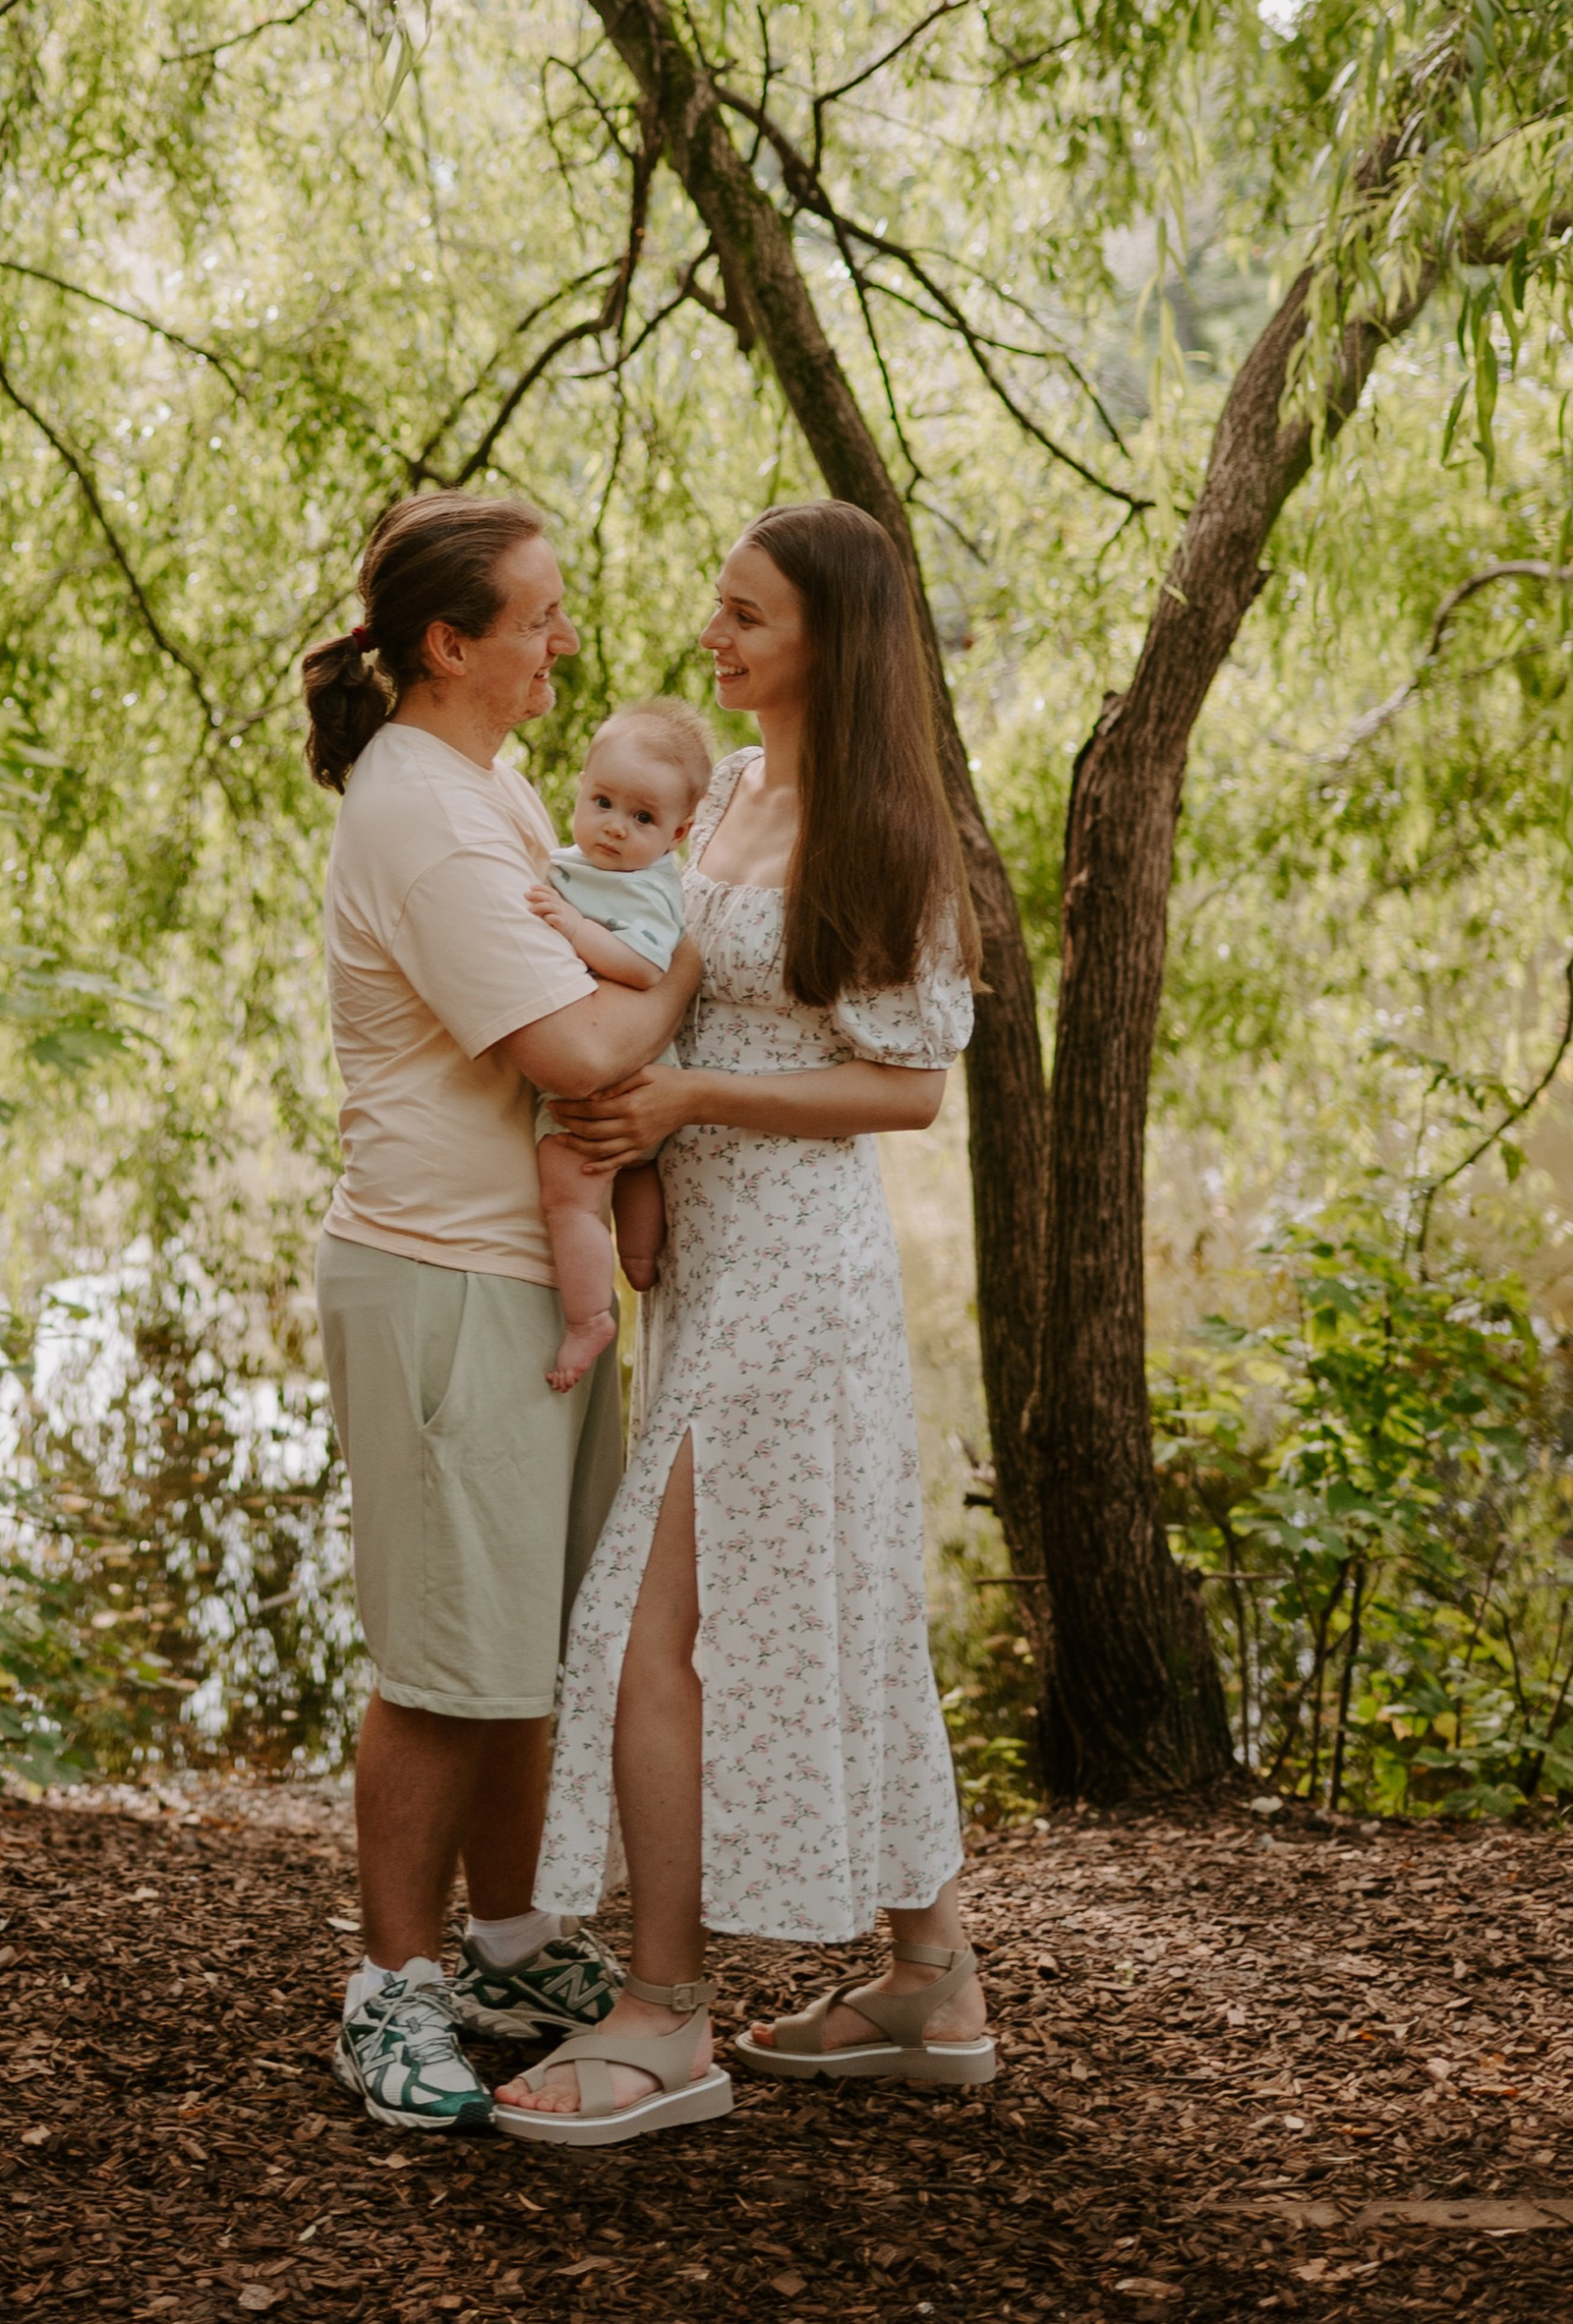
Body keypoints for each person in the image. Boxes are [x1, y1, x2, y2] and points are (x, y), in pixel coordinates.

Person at [490, 499, 996, 2150]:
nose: (713, 633)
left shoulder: (885, 828)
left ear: (831, 643)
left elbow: (910, 1084)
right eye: (719, 605)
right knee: (839, 1601)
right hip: (705, 1259)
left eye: (748, 615)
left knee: (652, 1620)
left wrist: (696, 1088)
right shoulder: (719, 788)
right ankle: (932, 1978)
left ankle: (662, 2014)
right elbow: (651, 960)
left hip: (798, 1271)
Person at [303, 493, 705, 2133]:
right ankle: (388, 1992)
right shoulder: (422, 811)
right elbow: (580, 1054)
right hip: (443, 1273)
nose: (565, 640)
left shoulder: (488, 781)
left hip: (522, 1271)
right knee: (441, 1660)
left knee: (526, 1647)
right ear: (451, 643)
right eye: (540, 616)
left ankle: (508, 1942)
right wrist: (695, 967)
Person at [522, 701, 718, 1391]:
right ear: (579, 787)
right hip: (644, 1096)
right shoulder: (576, 863)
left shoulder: (646, 889)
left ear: (678, 833)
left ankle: (587, 1320)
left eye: (642, 819)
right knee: (637, 1210)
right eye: (602, 801)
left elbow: (642, 969)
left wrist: (572, 928)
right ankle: (637, 1267)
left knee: (571, 1204)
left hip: (610, 1096)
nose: (614, 827)